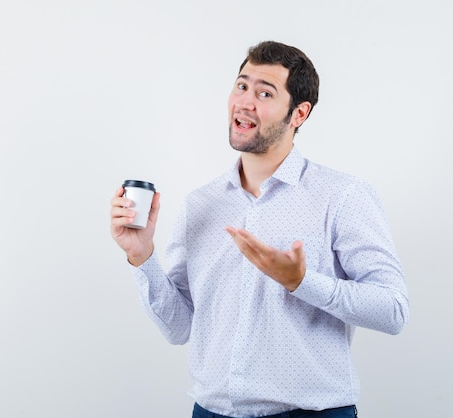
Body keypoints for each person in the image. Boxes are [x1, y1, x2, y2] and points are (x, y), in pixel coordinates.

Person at [109, 40, 409, 418]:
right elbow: (180, 328)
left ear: (299, 113)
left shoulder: (343, 196)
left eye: (265, 92)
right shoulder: (200, 205)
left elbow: (393, 310)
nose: (245, 101)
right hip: (212, 412)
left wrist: (301, 281)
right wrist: (142, 256)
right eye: (242, 86)